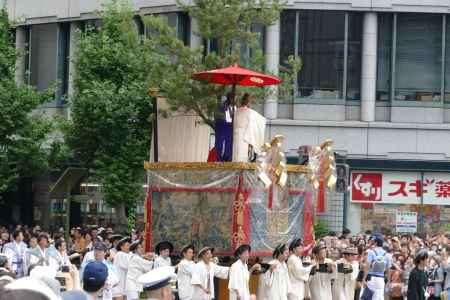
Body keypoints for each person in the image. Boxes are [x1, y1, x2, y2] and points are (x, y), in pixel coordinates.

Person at [232, 93, 266, 162]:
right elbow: (262, 120)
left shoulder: (236, 111)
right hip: (244, 135)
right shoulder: (250, 112)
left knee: (236, 153)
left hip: (236, 134)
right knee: (242, 154)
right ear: (248, 102)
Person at [361, 234, 391, 300]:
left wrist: (363, 279)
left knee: (367, 297)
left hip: (371, 278)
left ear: (376, 243)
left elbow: (367, 266)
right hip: (381, 279)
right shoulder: (387, 254)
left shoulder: (371, 252)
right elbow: (388, 269)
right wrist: (388, 281)